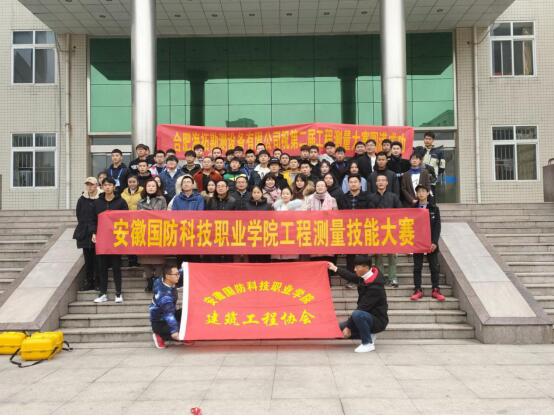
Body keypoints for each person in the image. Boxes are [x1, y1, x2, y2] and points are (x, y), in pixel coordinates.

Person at [327, 255, 388, 353]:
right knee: (338, 329)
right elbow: (351, 276)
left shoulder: (375, 287)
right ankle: (370, 334)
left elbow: (362, 308)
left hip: (377, 320)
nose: (354, 269)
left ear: (365, 267)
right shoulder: (365, 276)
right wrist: (335, 268)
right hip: (366, 316)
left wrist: (349, 326)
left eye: (357, 267)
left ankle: (367, 343)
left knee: (357, 314)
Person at [91, 177, 128, 304]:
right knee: (102, 267)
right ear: (101, 187)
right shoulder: (97, 203)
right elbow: (92, 219)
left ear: (114, 187)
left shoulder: (121, 202)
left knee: (116, 266)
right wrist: (93, 232)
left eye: (110, 185)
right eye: (105, 185)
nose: (107, 187)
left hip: (116, 238)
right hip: (101, 238)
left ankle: (118, 293)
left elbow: (126, 219)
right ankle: (103, 293)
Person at [410, 184, 445, 302]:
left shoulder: (434, 208)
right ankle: (417, 289)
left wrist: (434, 242)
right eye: (418, 191)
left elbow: (437, 227)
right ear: (416, 194)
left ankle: (435, 289)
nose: (421, 193)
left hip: (431, 243)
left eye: (423, 191)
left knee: (434, 267)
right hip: (417, 242)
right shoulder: (412, 208)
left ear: (428, 193)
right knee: (417, 267)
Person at [369, 173, 402, 287]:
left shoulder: (393, 197)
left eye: (383, 180)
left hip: (391, 230)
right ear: (376, 183)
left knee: (392, 255)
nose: (381, 182)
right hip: (377, 230)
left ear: (387, 183)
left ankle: (393, 278)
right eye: (379, 180)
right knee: (378, 256)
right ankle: (380, 278)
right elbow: (368, 215)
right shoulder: (371, 197)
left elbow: (400, 212)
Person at [338, 174, 373, 281]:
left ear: (360, 184)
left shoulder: (367, 197)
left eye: (355, 182)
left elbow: (372, 213)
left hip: (363, 229)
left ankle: (366, 277)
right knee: (350, 256)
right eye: (351, 182)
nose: (353, 184)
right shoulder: (343, 198)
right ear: (348, 184)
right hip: (348, 230)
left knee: (364, 255)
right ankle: (351, 279)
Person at [137, 179, 168, 292]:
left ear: (157, 188)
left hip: (158, 232)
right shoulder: (141, 201)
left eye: (153, 186)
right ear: (145, 188)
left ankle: (157, 280)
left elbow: (165, 215)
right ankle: (149, 280)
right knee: (145, 259)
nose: (151, 188)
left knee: (159, 259)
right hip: (145, 233)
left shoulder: (162, 199)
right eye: (148, 186)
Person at [73, 177, 101, 291]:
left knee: (98, 260)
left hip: (98, 233)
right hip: (85, 233)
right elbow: (79, 215)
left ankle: (98, 282)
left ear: (96, 185)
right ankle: (89, 282)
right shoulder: (82, 199)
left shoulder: (101, 198)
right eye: (88, 185)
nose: (89, 187)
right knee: (88, 260)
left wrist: (95, 231)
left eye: (92, 184)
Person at [150, 264, 182, 349]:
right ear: (167, 276)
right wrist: (174, 331)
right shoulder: (164, 296)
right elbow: (169, 315)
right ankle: (160, 336)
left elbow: (179, 273)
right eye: (176, 274)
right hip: (160, 322)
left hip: (170, 312)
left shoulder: (162, 280)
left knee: (188, 313)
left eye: (178, 273)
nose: (178, 276)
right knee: (185, 329)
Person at [272, 187, 304, 262]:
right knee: (279, 260)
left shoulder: (296, 207)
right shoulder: (276, 207)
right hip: (279, 233)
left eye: (287, 194)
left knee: (290, 258)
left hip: (291, 234)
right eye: (283, 194)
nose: (285, 195)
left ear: (291, 196)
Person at [415, 131, 446, 198]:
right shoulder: (420, 151)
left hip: (432, 180)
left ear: (433, 140)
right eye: (426, 139)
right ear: (424, 139)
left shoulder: (439, 152)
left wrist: (434, 174)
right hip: (420, 179)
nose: (427, 141)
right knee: (420, 198)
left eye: (429, 139)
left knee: (431, 199)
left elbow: (442, 167)